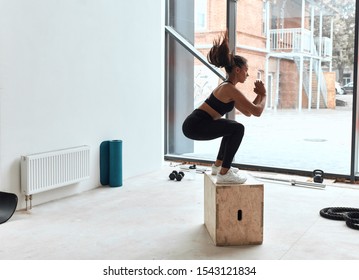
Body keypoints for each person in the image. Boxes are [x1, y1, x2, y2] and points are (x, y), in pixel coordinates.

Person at [182, 32, 267, 184]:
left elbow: (248, 112)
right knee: (237, 128)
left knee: (231, 128)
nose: (247, 75)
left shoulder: (229, 88)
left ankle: (218, 166)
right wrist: (264, 94)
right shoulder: (229, 88)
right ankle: (224, 173)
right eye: (246, 70)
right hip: (195, 125)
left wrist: (259, 95)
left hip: (196, 124)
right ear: (238, 70)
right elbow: (257, 111)